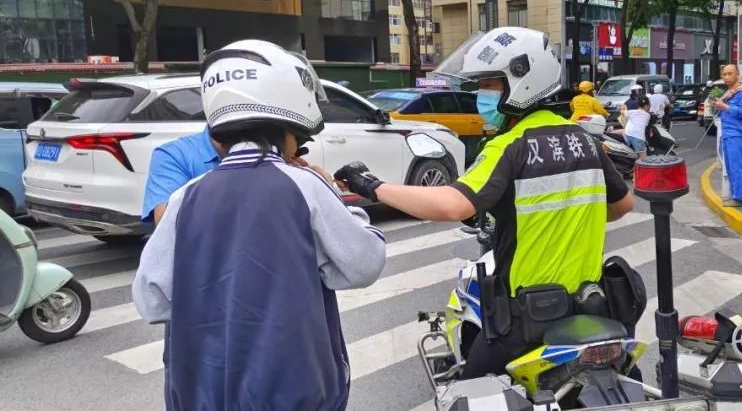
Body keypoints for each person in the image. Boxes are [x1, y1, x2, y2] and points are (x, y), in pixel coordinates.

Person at [333, 27, 636, 378]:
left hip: (527, 319)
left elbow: (452, 205)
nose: (482, 95)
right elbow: (622, 205)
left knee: (471, 386)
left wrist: (372, 186)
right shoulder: (584, 139)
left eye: (490, 85)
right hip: (591, 306)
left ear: (522, 82)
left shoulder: (510, 146)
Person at [132, 39, 387, 410]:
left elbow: (151, 301)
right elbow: (364, 264)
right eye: (299, 141)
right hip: (294, 390)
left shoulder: (185, 196)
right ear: (289, 124)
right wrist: (339, 200)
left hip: (203, 394)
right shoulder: (305, 185)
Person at [711, 65, 742, 207]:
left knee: (737, 167)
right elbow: (717, 108)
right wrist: (722, 100)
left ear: (737, 75)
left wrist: (726, 107)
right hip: (728, 134)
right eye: (724, 74)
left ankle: (740, 198)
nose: (727, 77)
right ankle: (735, 195)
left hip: (737, 134)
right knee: (730, 167)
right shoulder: (729, 93)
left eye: (730, 74)